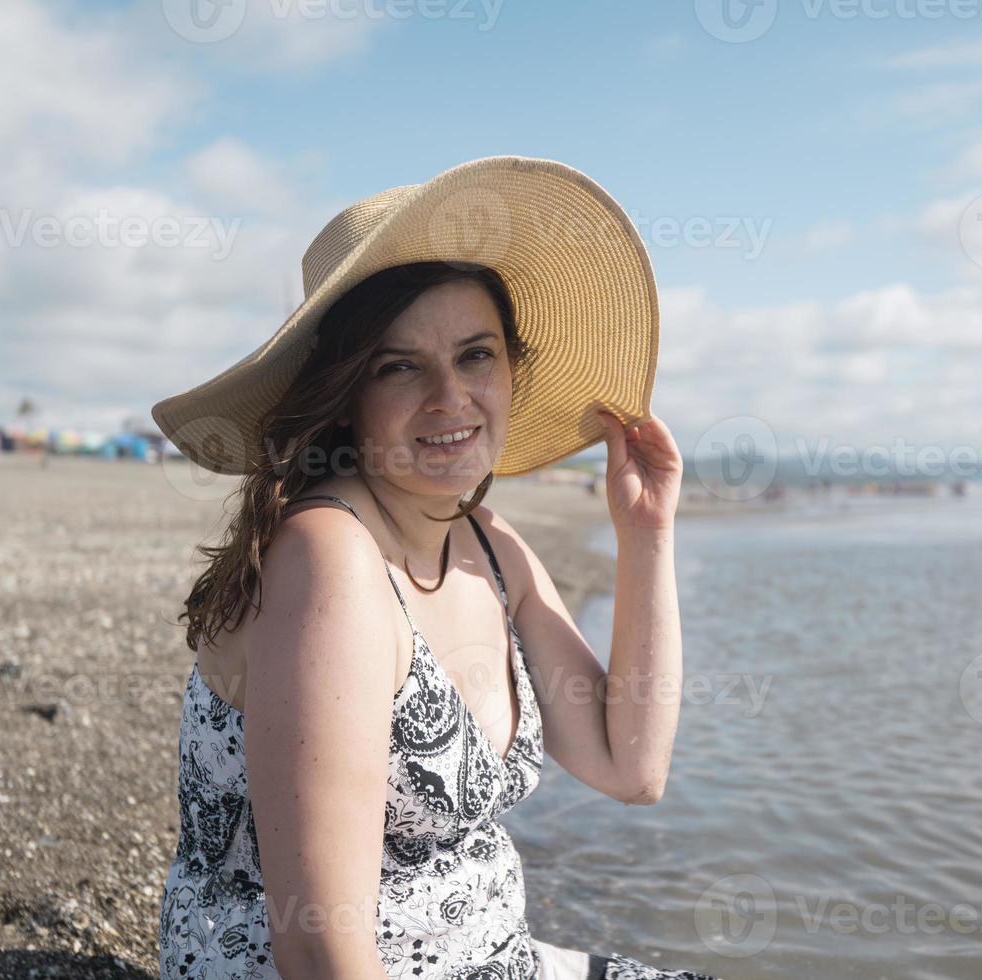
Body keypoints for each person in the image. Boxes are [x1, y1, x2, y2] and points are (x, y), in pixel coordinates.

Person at [151, 157, 723, 979]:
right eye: (400, 366)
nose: (450, 397)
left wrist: (646, 535)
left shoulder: (491, 548)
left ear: (512, 371)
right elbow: (317, 943)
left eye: (476, 356)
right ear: (346, 393)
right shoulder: (328, 560)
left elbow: (630, 767)